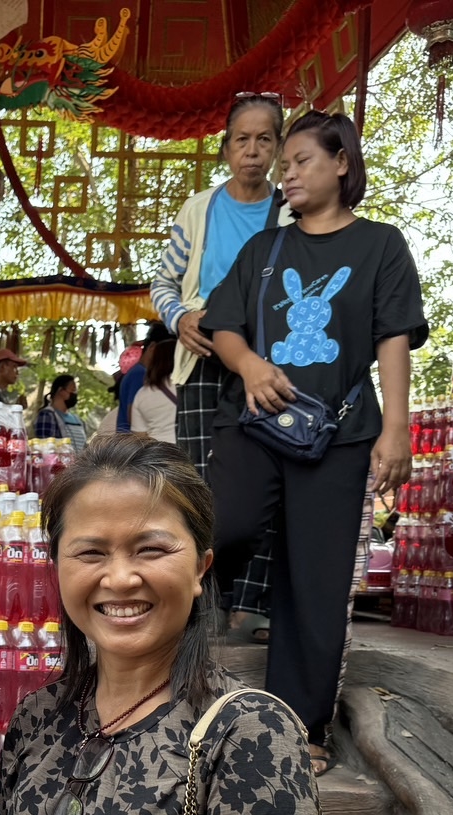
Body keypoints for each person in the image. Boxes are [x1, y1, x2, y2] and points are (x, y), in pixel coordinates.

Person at [0, 435, 325, 815]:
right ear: (58, 566)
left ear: (202, 567)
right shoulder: (39, 716)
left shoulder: (250, 735)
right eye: (90, 552)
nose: (120, 578)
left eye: (151, 549)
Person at [202, 110, 428, 775]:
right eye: (285, 162)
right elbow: (223, 327)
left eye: (301, 159)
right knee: (216, 525)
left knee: (317, 578)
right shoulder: (264, 251)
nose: (286, 172)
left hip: (340, 434)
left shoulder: (380, 245)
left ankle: (298, 727)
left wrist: (395, 427)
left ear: (340, 164)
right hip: (253, 423)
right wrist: (248, 366)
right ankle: (176, 657)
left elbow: (392, 338)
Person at [150, 93, 291, 644]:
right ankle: (203, 602)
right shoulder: (199, 209)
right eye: (242, 140)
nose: (252, 152)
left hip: (266, 362)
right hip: (206, 357)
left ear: (278, 148)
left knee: (266, 478)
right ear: (226, 147)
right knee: (200, 483)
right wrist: (180, 317)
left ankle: (251, 604)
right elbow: (162, 282)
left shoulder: (290, 212)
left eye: (264, 140)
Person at [130, 338, 179, 442]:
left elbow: (139, 435)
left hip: (159, 452)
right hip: (189, 447)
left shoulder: (142, 394)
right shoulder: (188, 387)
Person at [115, 328, 161, 432]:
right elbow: (133, 414)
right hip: (132, 442)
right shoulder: (140, 374)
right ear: (152, 347)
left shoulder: (136, 371)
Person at [33, 374, 86, 449]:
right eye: (73, 390)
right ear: (60, 390)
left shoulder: (78, 420)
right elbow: (46, 449)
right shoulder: (46, 415)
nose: (75, 394)